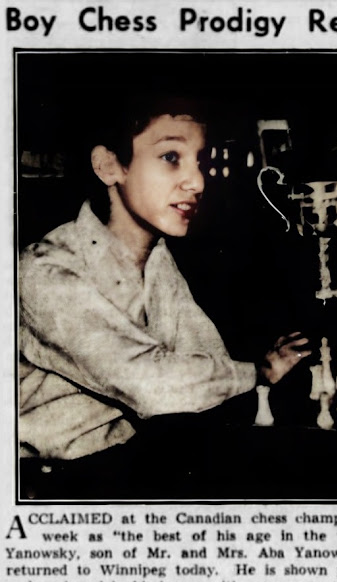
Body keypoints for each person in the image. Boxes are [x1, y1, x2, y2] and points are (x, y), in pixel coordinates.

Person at [19, 95, 310, 497]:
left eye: (199, 160)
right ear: (108, 165)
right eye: (171, 157)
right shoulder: (42, 273)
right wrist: (258, 371)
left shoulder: (155, 257)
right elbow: (153, 386)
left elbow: (205, 361)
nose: (198, 181)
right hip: (45, 490)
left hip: (123, 469)